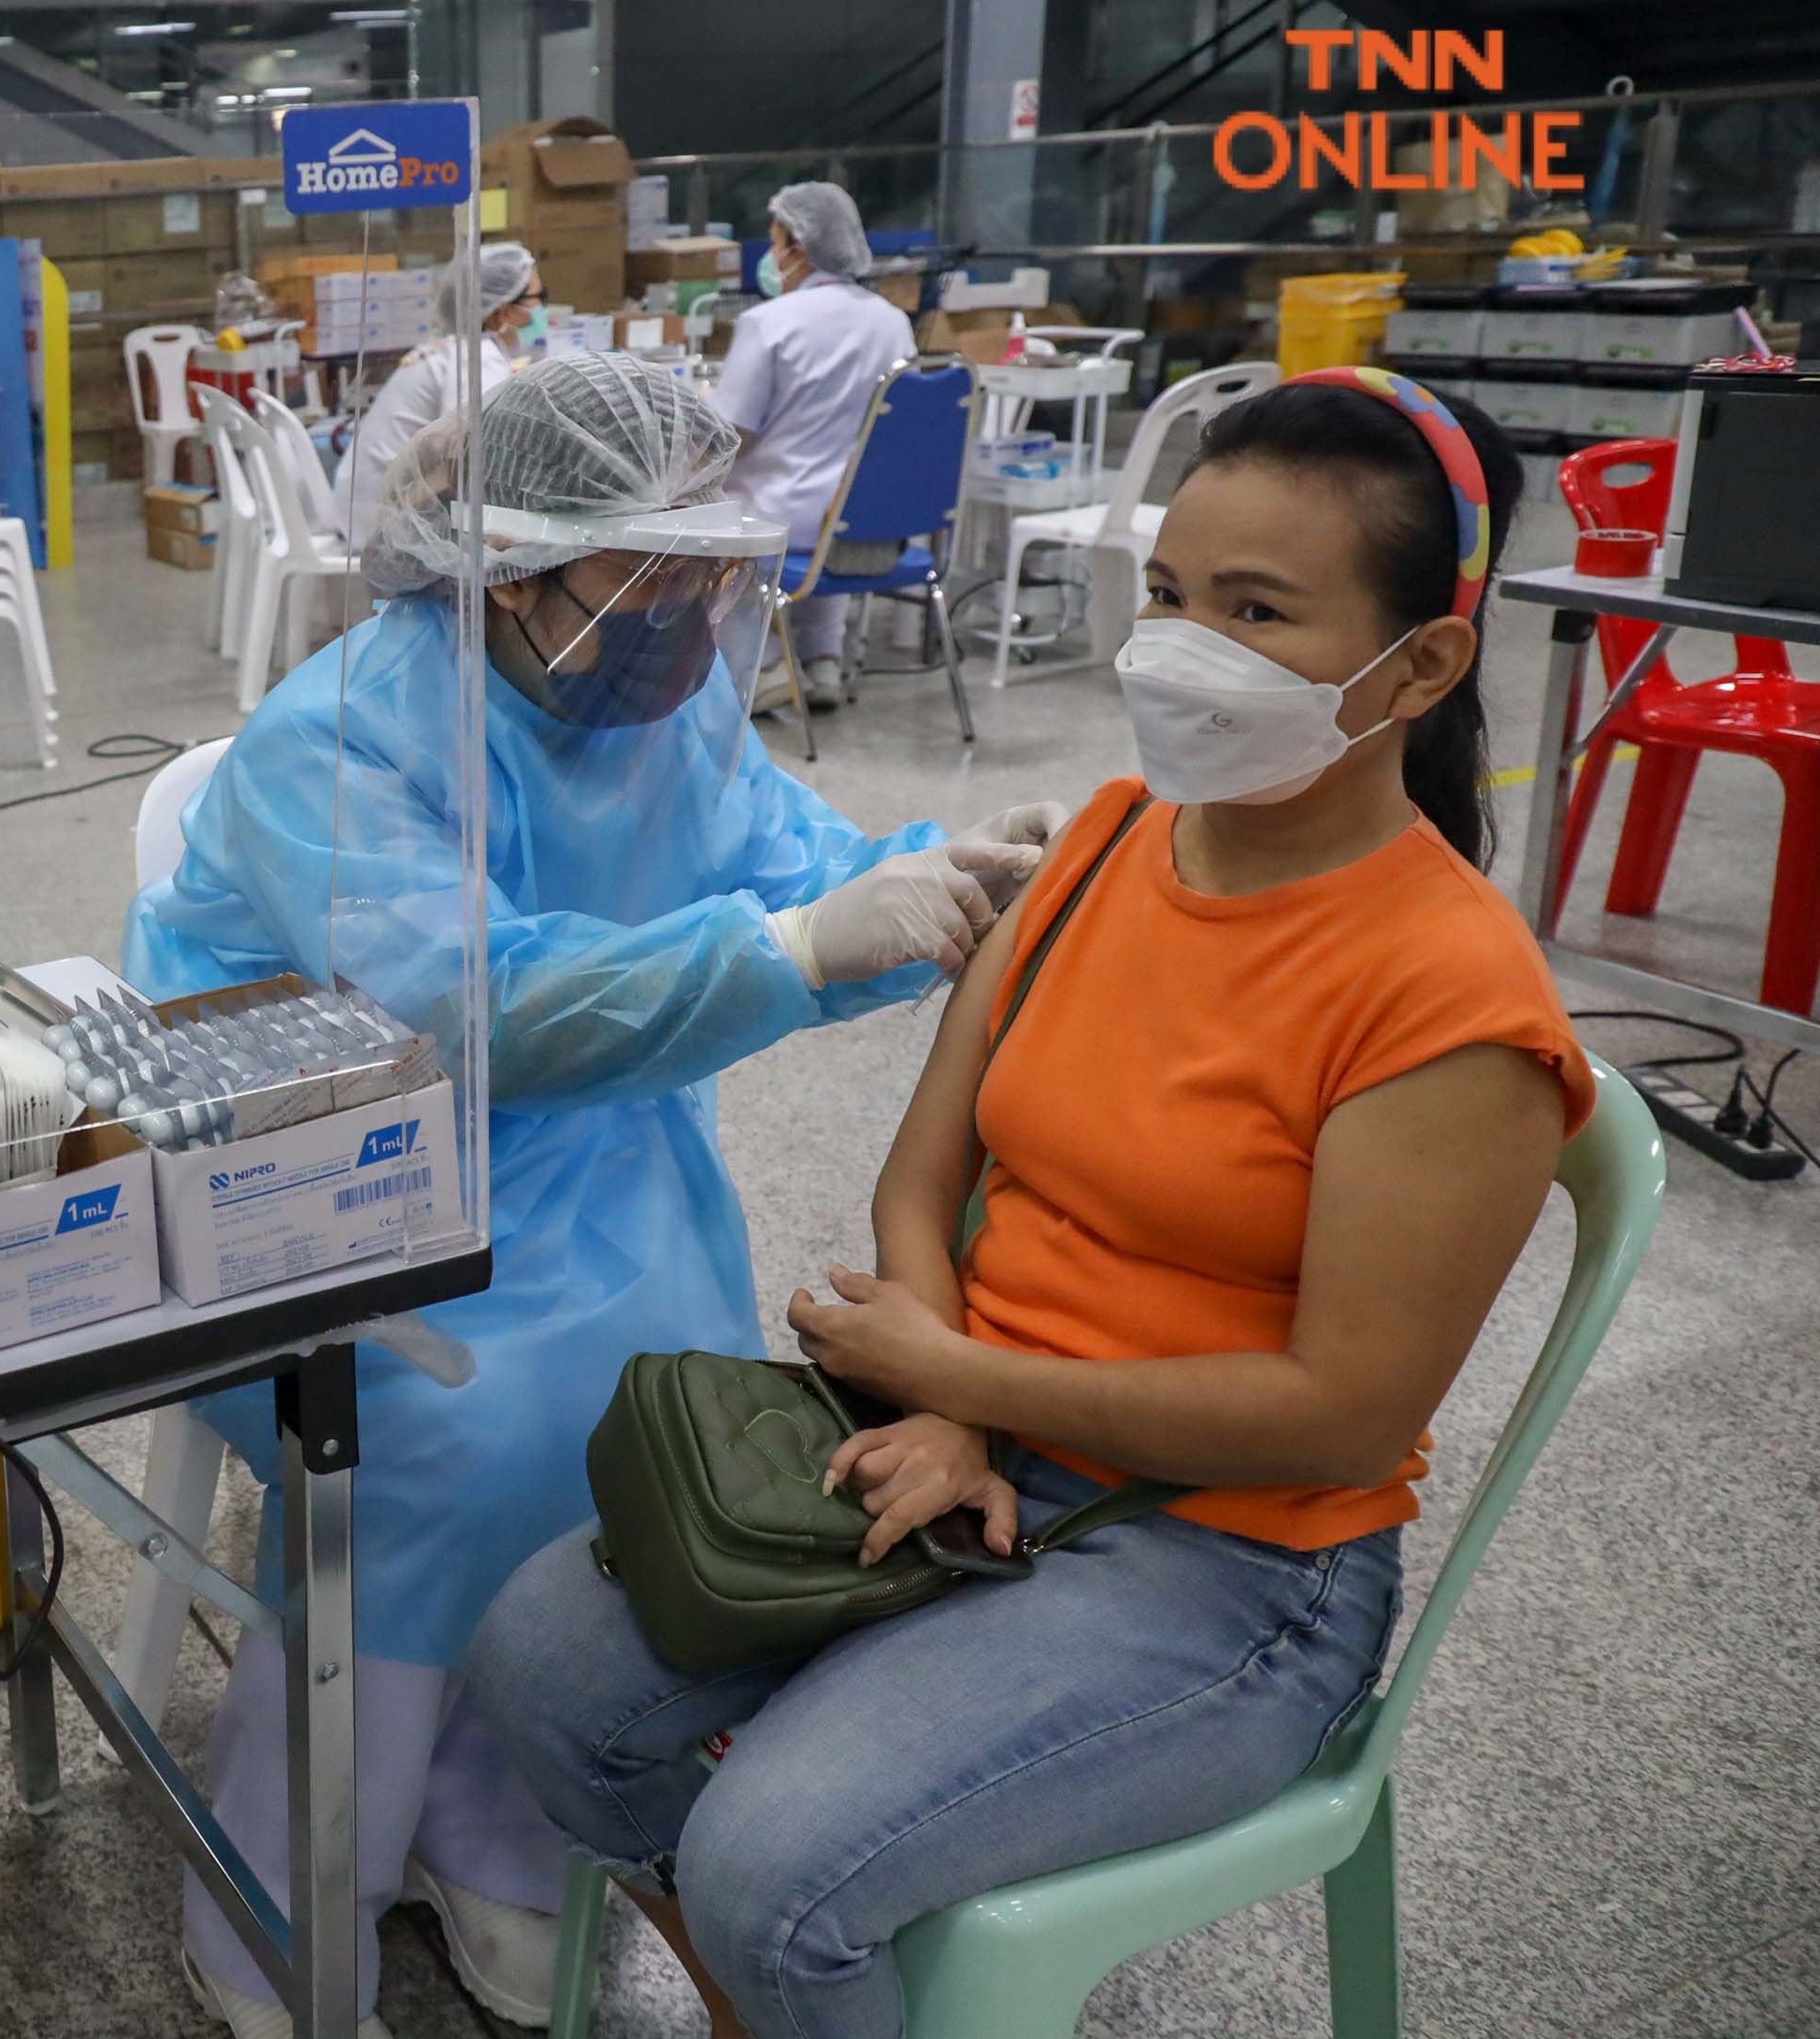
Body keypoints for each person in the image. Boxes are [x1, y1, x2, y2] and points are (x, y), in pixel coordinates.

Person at [465, 371, 1592, 2039]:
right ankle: (771, 2002)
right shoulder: (1116, 837)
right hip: (967, 1421)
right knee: (543, 1673)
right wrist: (950, 1402)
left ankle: (788, 1970)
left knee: (782, 1863)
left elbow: (1340, 1418)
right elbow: (929, 1164)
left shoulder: (1448, 1002)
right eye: (1170, 595)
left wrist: (965, 1388)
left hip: (1229, 1558)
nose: (1176, 649)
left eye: (1256, 611)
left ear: (1419, 664)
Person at [125, 350, 1068, 2038]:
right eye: (645, 566)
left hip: (599, 1160)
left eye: (712, 565)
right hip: (332, 1170)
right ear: (508, 554)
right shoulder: (340, 738)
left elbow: (788, 868)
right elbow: (463, 1011)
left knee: (658, 1422)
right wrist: (785, 952)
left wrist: (935, 877)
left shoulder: (674, 697)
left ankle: (506, 1852)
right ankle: (289, 1879)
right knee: (464, 1433)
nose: (688, 606)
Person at [714, 183, 915, 713]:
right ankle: (823, 658)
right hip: (866, 522)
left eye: (774, 241)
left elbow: (731, 434)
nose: (770, 254)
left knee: (701, 512)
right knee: (834, 498)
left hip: (775, 522)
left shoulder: (770, 323)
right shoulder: (893, 322)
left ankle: (762, 668)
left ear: (797, 249)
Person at [337, 239, 541, 507]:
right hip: (382, 515)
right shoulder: (474, 356)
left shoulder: (451, 348)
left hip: (359, 499)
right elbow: (473, 452)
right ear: (502, 311)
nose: (541, 310)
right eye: (538, 298)